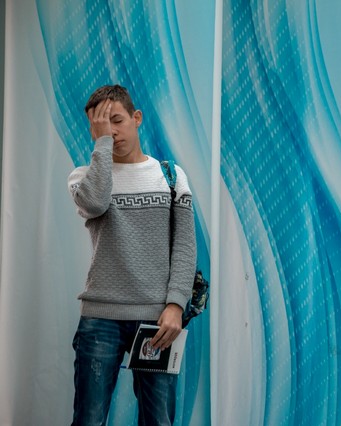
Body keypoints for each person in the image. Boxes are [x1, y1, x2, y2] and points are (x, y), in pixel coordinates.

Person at [67, 85, 196, 425]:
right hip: (100, 319)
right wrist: (102, 146)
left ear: (136, 118)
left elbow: (184, 246)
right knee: (88, 420)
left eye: (117, 120)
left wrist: (176, 305)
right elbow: (95, 203)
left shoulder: (171, 176)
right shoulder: (84, 178)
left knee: (159, 421)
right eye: (100, 125)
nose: (111, 131)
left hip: (158, 320)